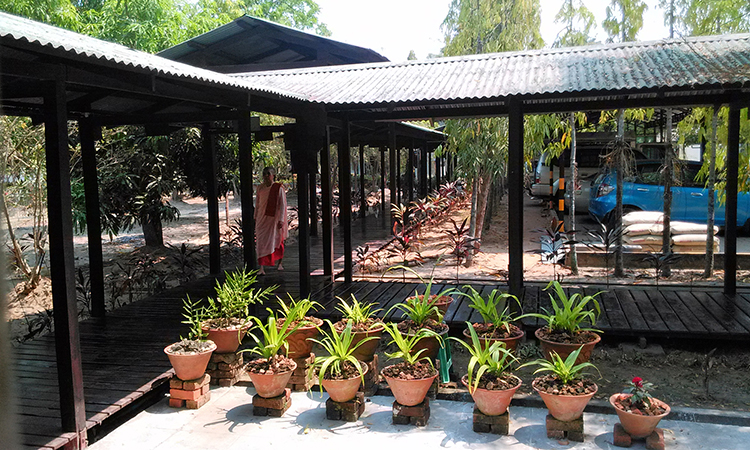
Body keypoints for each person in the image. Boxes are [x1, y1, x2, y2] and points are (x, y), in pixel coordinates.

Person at [254, 167, 288, 275]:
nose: (266, 176)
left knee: (277, 240)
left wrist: (281, 220)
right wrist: (255, 217)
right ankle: (261, 267)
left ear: (273, 175)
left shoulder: (278, 188)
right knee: (261, 241)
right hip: (262, 218)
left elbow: (282, 205)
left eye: (268, 174)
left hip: (274, 219)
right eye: (264, 174)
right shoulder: (260, 188)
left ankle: (280, 263)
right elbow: (258, 204)